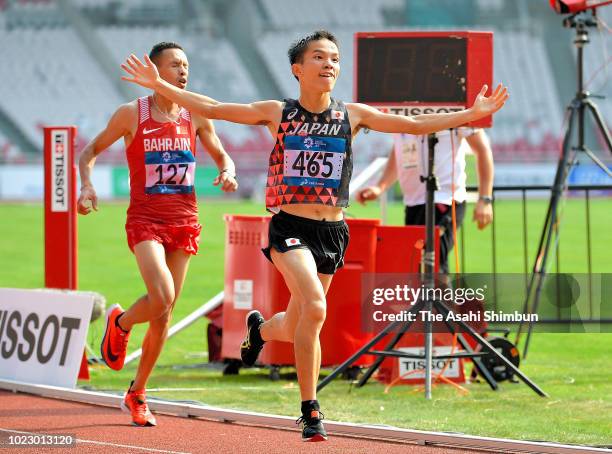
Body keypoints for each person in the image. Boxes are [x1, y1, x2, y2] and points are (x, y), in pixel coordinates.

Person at [120, 30, 508, 441]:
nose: (329, 65)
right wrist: (159, 85)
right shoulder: (277, 112)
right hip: (290, 227)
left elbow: (412, 123)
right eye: (319, 57)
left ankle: (261, 331)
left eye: (335, 59)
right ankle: (311, 410)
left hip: (333, 231)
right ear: (297, 69)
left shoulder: (352, 115)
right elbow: (214, 108)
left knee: (298, 321)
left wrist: (470, 114)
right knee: (317, 307)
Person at [77, 42, 238, 427]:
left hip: (185, 221)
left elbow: (221, 153)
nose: (183, 71)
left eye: (186, 65)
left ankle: (137, 392)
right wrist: (87, 186)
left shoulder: (196, 113)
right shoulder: (132, 114)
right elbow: (89, 152)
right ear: (155, 69)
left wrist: (228, 171)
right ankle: (121, 323)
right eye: (175, 65)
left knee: (164, 316)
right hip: (146, 220)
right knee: (162, 296)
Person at [356, 128, 494, 273]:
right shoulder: (399, 110)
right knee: (418, 266)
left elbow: (482, 149)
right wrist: (380, 186)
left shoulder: (455, 106)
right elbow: (399, 150)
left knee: (434, 266)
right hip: (413, 202)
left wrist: (485, 199)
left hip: (445, 199)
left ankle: (439, 296)